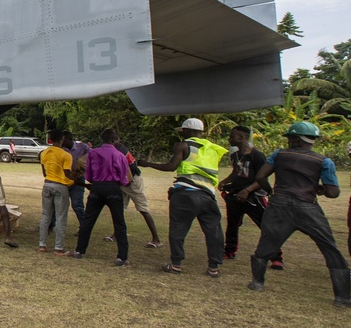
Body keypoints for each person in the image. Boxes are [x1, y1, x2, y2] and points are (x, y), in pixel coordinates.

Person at [237, 121, 350, 307]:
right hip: (307, 206)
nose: (289, 141)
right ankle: (342, 297)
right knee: (329, 247)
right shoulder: (323, 161)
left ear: (296, 139)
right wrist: (320, 189)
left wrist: (270, 192)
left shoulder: (279, 154)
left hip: (278, 204)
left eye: (290, 138)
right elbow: (333, 193)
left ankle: (257, 282)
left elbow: (260, 177)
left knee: (267, 242)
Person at [137, 118, 227, 278]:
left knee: (178, 229)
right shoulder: (213, 149)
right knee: (214, 231)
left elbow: (171, 166)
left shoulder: (183, 145)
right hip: (208, 195)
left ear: (188, 131)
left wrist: (148, 164)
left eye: (183, 131)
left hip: (186, 194)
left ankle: (176, 265)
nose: (182, 134)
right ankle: (214, 267)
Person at [218, 126, 283, 268]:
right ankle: (229, 250)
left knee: (265, 225)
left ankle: (276, 257)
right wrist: (225, 181)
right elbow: (236, 172)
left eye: (232, 136)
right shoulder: (235, 155)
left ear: (242, 138)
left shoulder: (257, 156)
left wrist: (247, 190)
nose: (229, 138)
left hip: (253, 198)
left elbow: (262, 177)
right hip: (236, 196)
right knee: (232, 225)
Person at [72, 128, 131, 266]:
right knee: (119, 223)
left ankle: (80, 250)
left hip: (97, 188)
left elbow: (89, 174)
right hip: (113, 188)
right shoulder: (120, 155)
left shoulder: (93, 153)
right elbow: (124, 179)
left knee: (88, 220)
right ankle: (122, 257)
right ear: (114, 140)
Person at [106, 134, 162, 249]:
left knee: (143, 209)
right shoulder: (117, 149)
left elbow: (129, 170)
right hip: (124, 182)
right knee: (118, 208)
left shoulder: (121, 151)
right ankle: (116, 234)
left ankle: (156, 239)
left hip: (132, 182)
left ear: (114, 140)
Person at [38, 129, 74, 255]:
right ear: (62, 139)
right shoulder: (65, 155)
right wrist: (77, 177)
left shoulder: (44, 153)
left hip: (47, 184)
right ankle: (59, 248)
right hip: (60, 186)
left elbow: (44, 172)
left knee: (45, 215)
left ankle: (42, 245)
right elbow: (67, 174)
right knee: (61, 217)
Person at [62, 131, 90, 226]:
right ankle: (51, 224)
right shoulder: (61, 149)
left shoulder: (83, 147)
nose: (62, 142)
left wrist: (84, 169)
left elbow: (91, 158)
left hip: (78, 180)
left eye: (64, 140)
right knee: (59, 204)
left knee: (77, 204)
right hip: (64, 179)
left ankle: (84, 226)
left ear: (70, 140)